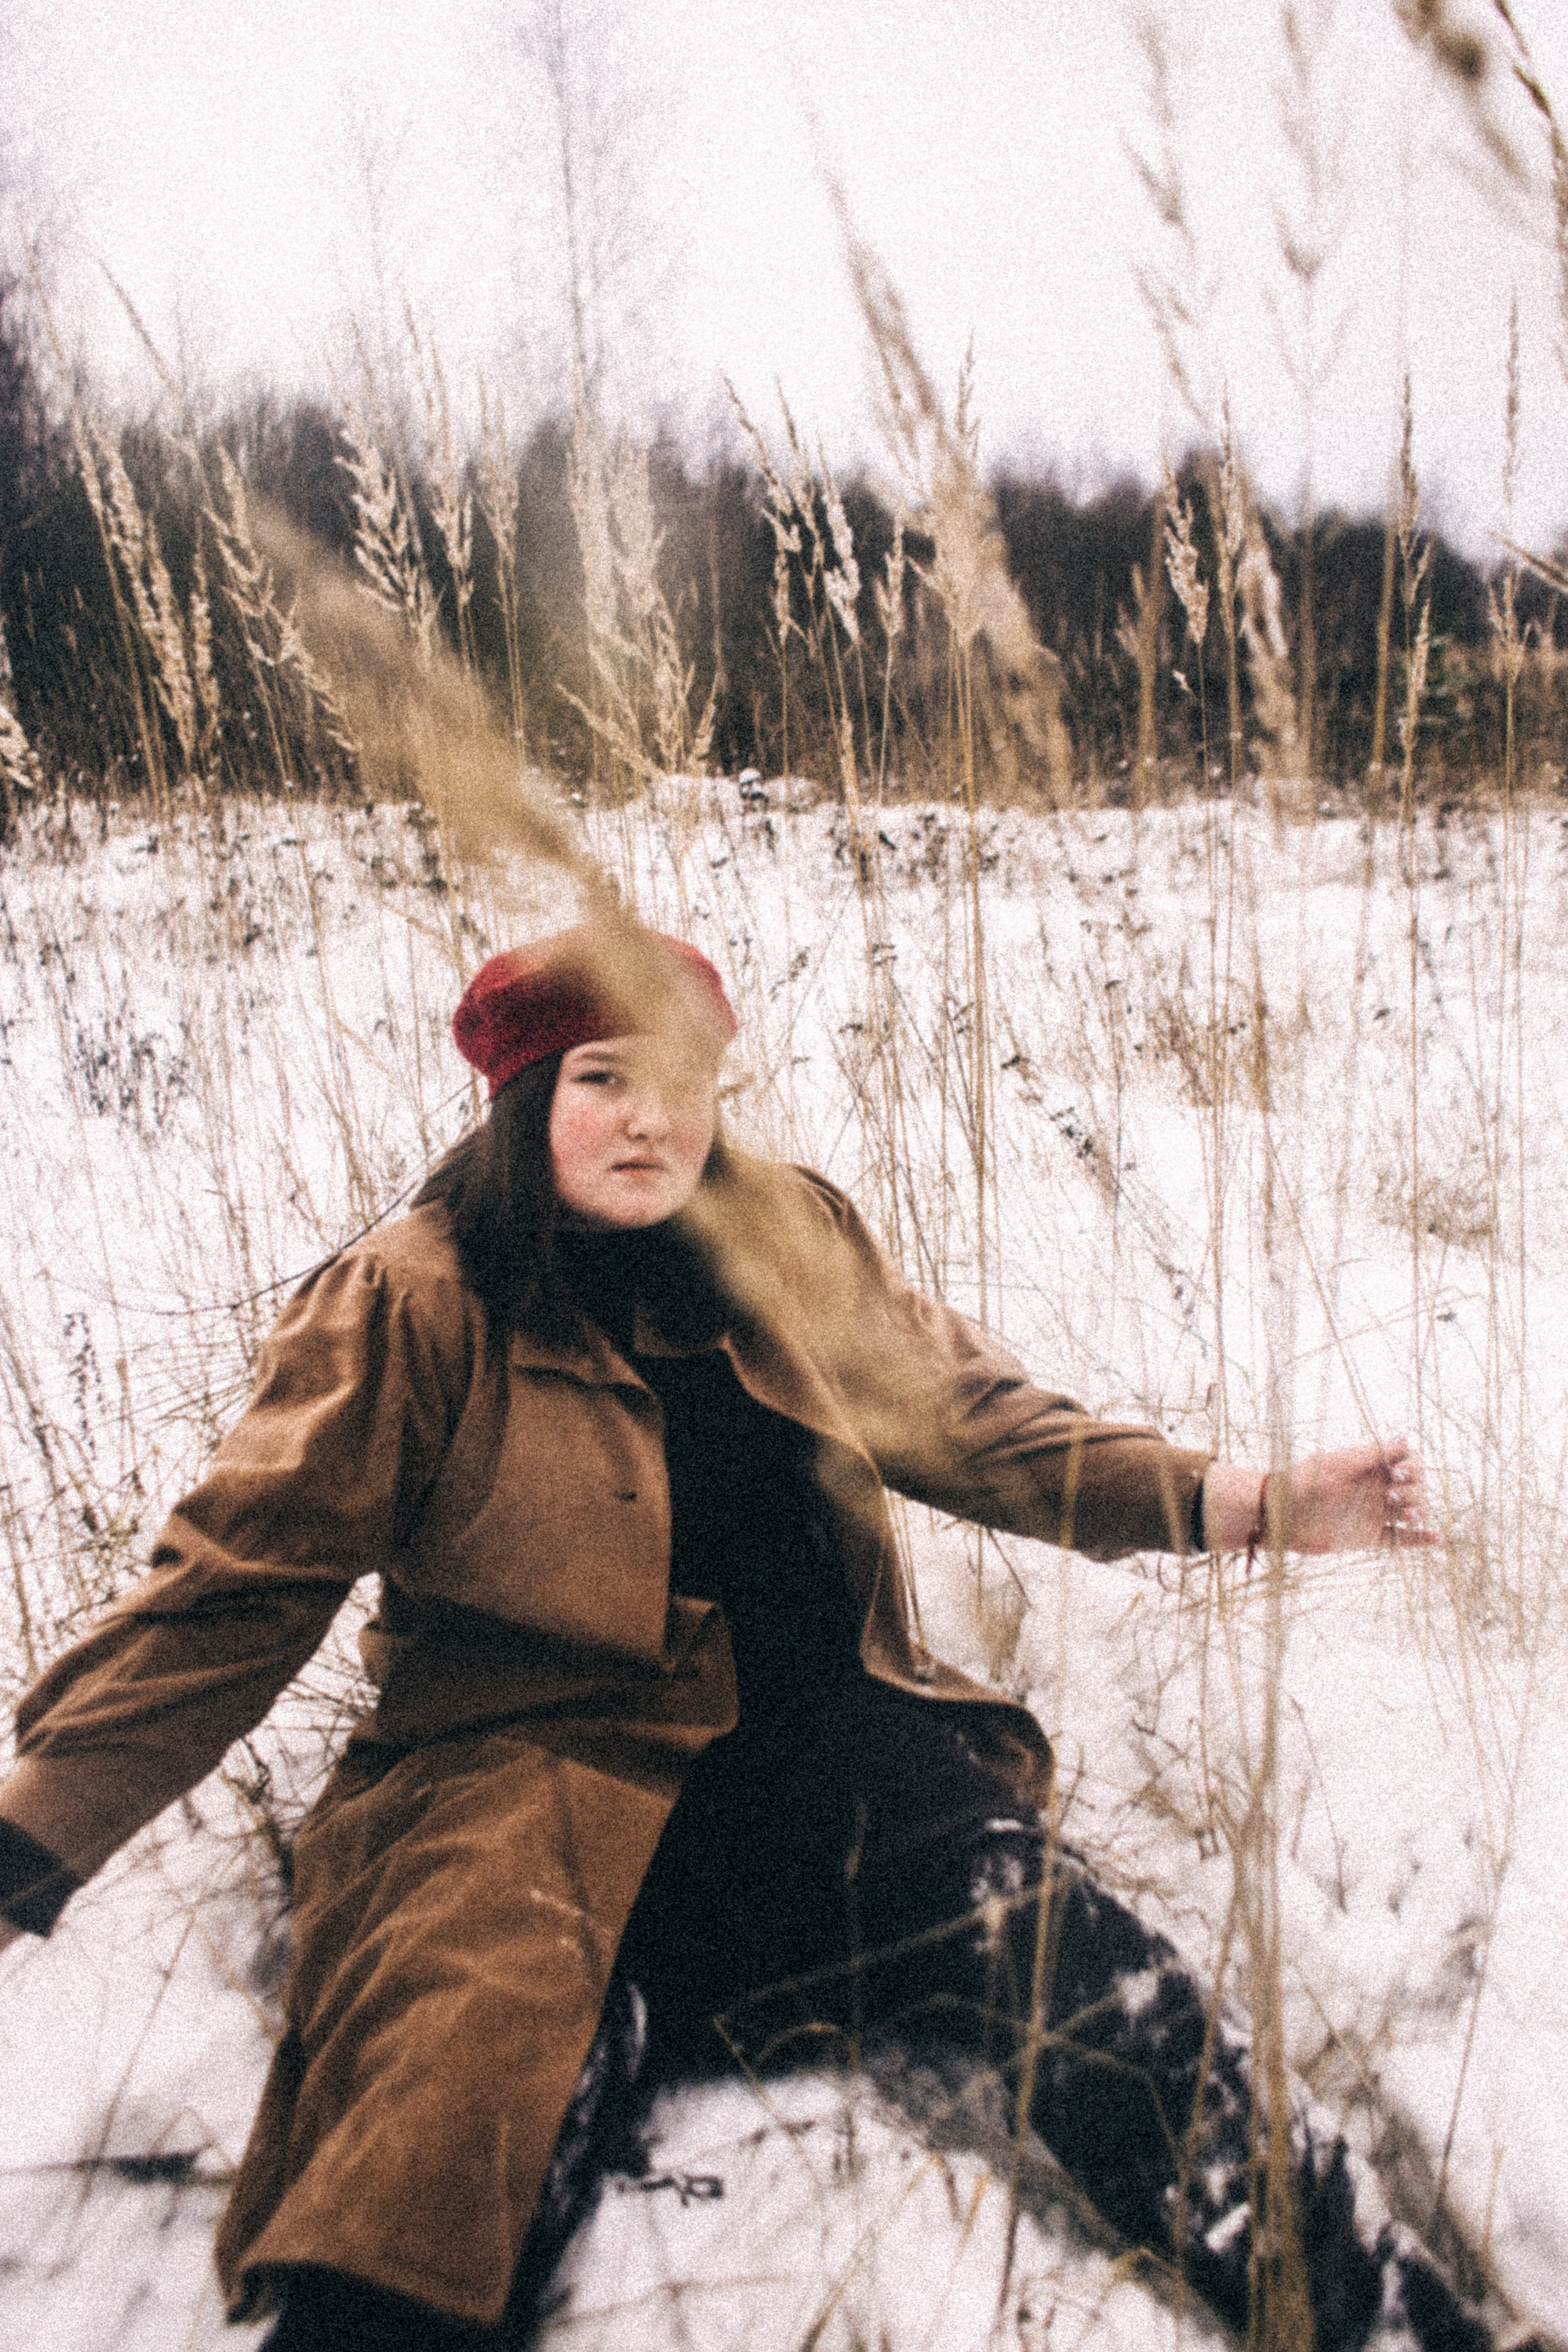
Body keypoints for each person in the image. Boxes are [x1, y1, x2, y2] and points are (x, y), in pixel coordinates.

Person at [0, 924, 1496, 2351]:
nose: (653, 1122)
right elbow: (229, 1596)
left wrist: (1248, 1503)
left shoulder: (787, 1237)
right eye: (602, 1080)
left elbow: (975, 1423)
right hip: (521, 1787)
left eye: (686, 1083)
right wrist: (28, 1846)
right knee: (436, 2149)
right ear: (524, 1101)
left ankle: (1395, 2323)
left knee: (1101, 1992)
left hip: (827, 1762)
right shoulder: (410, 1299)